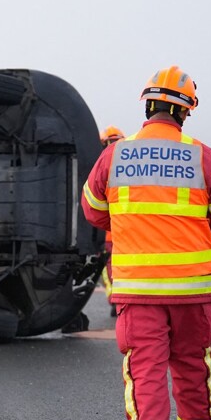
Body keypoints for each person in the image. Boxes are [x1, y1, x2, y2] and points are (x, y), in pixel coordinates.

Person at [80, 67, 211, 420]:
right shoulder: (201, 155)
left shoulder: (115, 155)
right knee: (192, 363)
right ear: (185, 111)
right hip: (193, 289)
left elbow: (94, 210)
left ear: (148, 105)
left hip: (139, 291)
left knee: (145, 369)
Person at [98, 125, 125, 316]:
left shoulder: (101, 165)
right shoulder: (131, 166)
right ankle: (121, 301)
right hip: (126, 232)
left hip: (111, 232)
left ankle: (116, 301)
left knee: (110, 269)